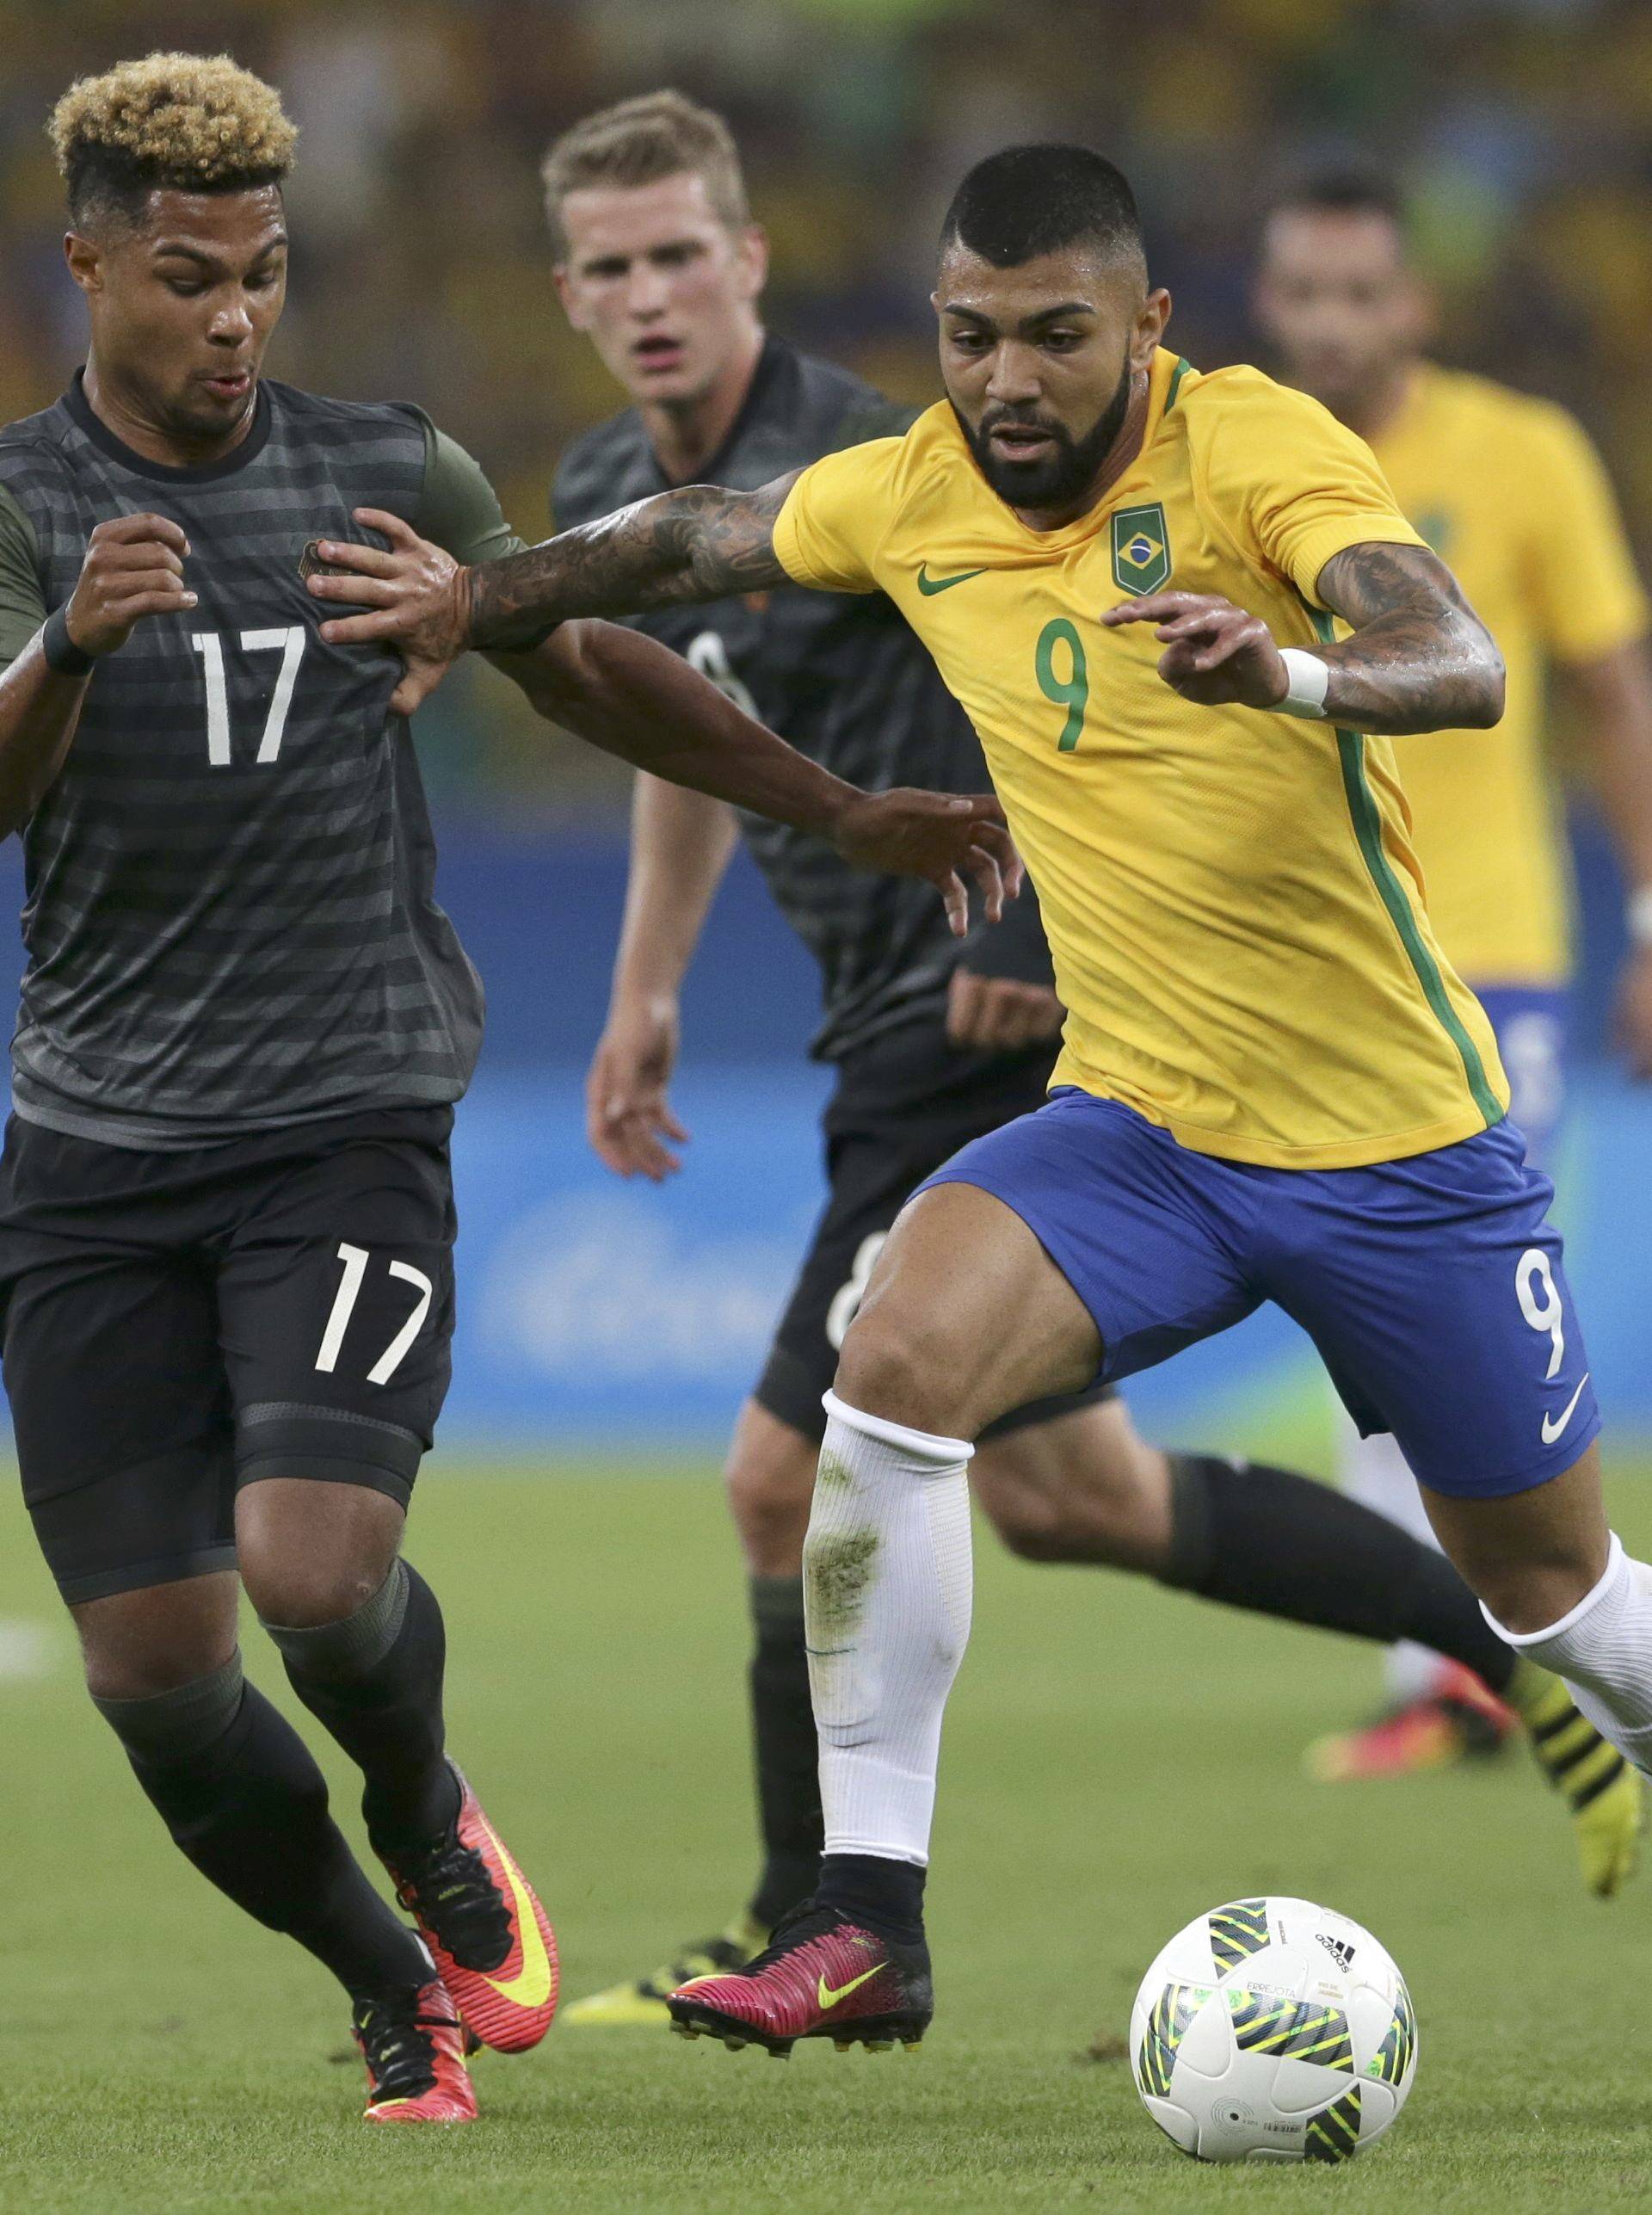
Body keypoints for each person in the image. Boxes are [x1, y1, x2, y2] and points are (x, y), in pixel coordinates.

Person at [310, 139, 1652, 2063]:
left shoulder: (1255, 446)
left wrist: (1282, 669)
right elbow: (692, 538)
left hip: (1396, 1147)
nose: (1005, 378)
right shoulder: (917, 486)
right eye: (967, 336)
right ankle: (862, 1916)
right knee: (891, 1375)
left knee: (1560, 1600)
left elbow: (1458, 660)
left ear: (1147, 330)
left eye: (1051, 336)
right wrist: (482, 592)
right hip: (1145, 1127)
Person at [0, 55, 1012, 2122]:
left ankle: (424, 1797)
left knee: (309, 1573)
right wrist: (64, 656)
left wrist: (839, 806)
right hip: (92, 1152)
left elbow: (586, 660)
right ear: (87, 262)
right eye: (186, 279)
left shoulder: (385, 471)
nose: (232, 321)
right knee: (155, 1671)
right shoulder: (20, 511)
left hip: (343, 1112)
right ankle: (395, 1984)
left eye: (264, 276)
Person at [1250, 170, 1652, 1781]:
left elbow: (1614, 692)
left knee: (1449, 1309)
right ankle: (1463, 1665)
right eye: (1303, 295)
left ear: (1414, 304)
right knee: (1370, 1323)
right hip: (1320, 958)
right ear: (1266, 303)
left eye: (1362, 294)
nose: (1331, 323)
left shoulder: (1525, 453)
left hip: (1495, 956)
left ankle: (1484, 1661)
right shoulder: (1245, 459)